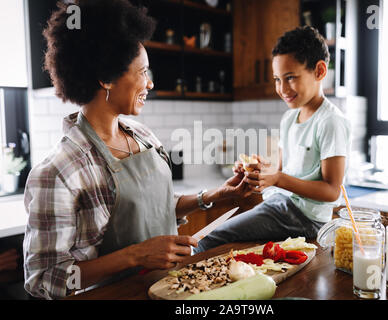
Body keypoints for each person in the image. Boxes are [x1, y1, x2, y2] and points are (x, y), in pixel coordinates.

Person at [23, 0, 252, 300]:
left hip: (173, 289)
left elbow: (152, 207)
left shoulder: (143, 136)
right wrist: (136, 255)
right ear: (106, 78)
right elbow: (44, 278)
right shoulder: (59, 171)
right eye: (142, 72)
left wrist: (212, 197)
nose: (150, 82)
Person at [195, 26, 352, 253]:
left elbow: (331, 191)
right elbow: (281, 172)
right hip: (281, 205)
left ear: (319, 71)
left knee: (210, 238)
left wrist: (277, 178)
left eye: (290, 78)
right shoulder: (289, 118)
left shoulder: (330, 121)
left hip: (307, 219)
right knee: (214, 234)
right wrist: (259, 172)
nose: (282, 88)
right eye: (277, 79)